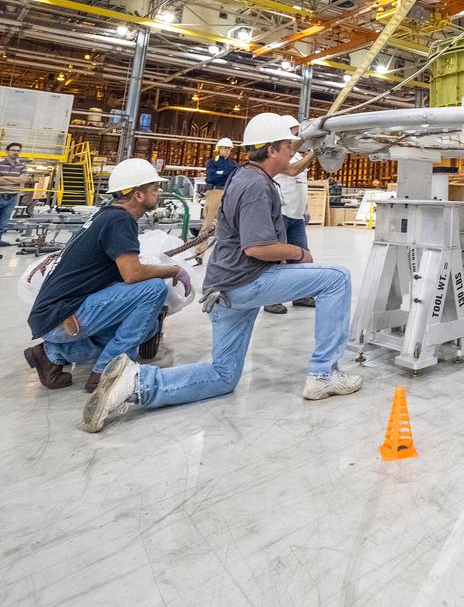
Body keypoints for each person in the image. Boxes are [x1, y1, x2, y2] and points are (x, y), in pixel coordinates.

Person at [81, 112, 361, 433]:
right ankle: (324, 374)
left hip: (223, 289)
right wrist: (299, 252)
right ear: (271, 150)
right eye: (287, 146)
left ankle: (137, 383)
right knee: (336, 278)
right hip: (246, 282)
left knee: (223, 375)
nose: (290, 154)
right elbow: (256, 248)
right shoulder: (258, 186)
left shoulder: (243, 175)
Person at [24, 159, 190, 393]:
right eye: (155, 188)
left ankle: (51, 354)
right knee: (154, 289)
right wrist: (174, 269)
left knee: (149, 327)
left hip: (55, 317)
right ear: (139, 195)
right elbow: (132, 274)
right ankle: (107, 372)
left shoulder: (107, 216)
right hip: (62, 317)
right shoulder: (120, 220)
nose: (159, 192)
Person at [263, 115, 316, 315]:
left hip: (296, 215)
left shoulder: (295, 155)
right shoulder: (279, 157)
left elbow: (301, 185)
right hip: (282, 214)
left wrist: (306, 209)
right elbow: (293, 172)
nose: (296, 134)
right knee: (277, 259)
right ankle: (271, 299)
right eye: (293, 130)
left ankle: (301, 295)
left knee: (303, 258)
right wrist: (314, 153)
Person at [194, 138, 237, 263]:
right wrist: (225, 173)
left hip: (229, 192)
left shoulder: (233, 164)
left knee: (227, 224)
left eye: (229, 149)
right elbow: (211, 176)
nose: (227, 151)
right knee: (208, 223)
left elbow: (233, 175)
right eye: (225, 148)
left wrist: (221, 173)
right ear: (219, 149)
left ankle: (224, 255)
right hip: (215, 193)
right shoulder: (212, 162)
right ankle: (199, 252)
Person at [0, 140, 28, 246]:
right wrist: (16, 179)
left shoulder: (22, 166)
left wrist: (6, 177)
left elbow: (24, 180)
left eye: (18, 150)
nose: (16, 152)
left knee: (3, 224)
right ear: (7, 151)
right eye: (13, 150)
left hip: (12, 198)